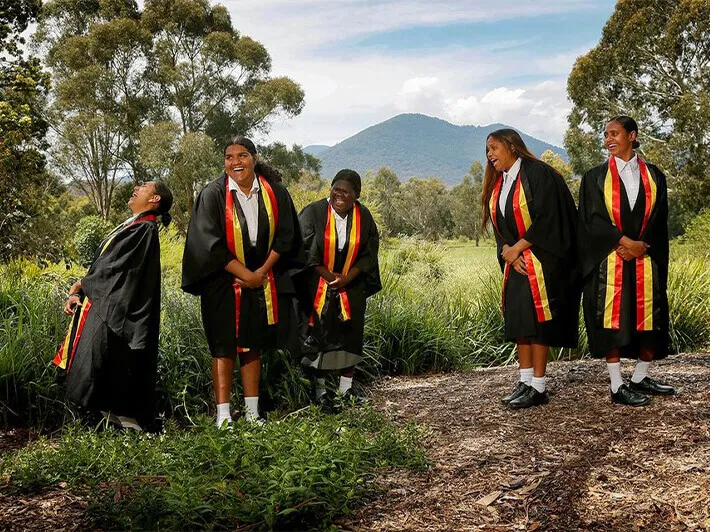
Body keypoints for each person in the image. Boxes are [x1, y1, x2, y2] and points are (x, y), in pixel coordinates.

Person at [181, 137, 301, 427]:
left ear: (255, 158)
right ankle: (223, 415)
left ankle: (252, 413)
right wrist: (245, 274)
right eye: (229, 157)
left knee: (253, 344)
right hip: (222, 281)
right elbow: (209, 243)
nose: (235, 162)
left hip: (262, 278)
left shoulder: (275, 193)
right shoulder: (212, 194)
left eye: (242, 155)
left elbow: (287, 236)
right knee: (223, 346)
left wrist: (260, 272)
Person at [54, 180, 173, 432]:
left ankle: (125, 425)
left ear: (155, 200)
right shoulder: (135, 225)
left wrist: (83, 284)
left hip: (121, 311)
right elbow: (107, 267)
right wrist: (85, 287)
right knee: (103, 363)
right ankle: (107, 421)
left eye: (145, 186)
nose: (137, 187)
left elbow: (117, 269)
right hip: (108, 305)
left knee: (111, 362)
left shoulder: (144, 230)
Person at [578, 116, 674, 406]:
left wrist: (641, 246)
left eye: (615, 133)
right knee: (612, 320)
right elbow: (591, 220)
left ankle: (640, 377)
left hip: (645, 258)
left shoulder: (655, 175)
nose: (609, 139)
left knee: (650, 320)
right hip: (610, 260)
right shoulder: (594, 178)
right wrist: (623, 242)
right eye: (606, 134)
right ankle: (617, 384)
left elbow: (659, 219)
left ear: (632, 135)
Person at [481, 129, 580, 409]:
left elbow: (550, 218)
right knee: (521, 322)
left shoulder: (538, 173)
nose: (490, 155)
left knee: (538, 325)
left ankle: (539, 386)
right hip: (517, 264)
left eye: (494, 148)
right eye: (487, 150)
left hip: (543, 262)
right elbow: (501, 227)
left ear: (512, 147)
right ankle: (524, 381)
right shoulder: (500, 183)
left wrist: (519, 248)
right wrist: (508, 254)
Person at [297, 170, 381, 411]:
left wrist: (347, 278)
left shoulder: (363, 216)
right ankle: (321, 393)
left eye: (346, 191)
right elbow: (303, 250)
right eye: (336, 188)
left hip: (351, 285)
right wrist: (328, 277)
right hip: (317, 284)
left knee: (351, 335)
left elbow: (368, 253)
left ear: (357, 195)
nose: (339, 194)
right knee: (319, 335)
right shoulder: (313, 212)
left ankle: (346, 391)